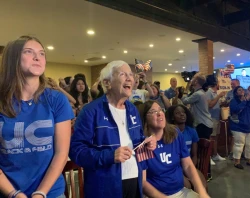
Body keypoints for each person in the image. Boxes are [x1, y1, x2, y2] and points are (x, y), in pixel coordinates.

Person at [69, 60, 157, 198]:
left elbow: (136, 139)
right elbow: (76, 151)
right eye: (122, 74)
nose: (129, 78)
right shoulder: (90, 111)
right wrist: (110, 156)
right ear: (107, 83)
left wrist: (145, 142)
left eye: (130, 74)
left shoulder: (132, 109)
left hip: (134, 179)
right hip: (105, 186)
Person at [0, 36, 74, 198]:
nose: (37, 57)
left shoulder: (56, 100)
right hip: (7, 191)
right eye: (28, 52)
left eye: (42, 54)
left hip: (50, 192)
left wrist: (41, 193)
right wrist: (14, 194)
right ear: (13, 59)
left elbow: (61, 153)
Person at [138, 101, 210, 198]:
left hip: (180, 191)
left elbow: (188, 165)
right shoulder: (142, 143)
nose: (159, 113)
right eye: (153, 112)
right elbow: (142, 182)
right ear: (145, 119)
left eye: (160, 110)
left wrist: (201, 191)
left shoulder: (175, 133)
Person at [165, 105, 207, 190]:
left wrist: (191, 170)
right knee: (187, 186)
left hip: (188, 165)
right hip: (174, 168)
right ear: (172, 117)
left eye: (183, 112)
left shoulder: (191, 131)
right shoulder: (169, 133)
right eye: (178, 113)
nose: (182, 114)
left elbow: (194, 155)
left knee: (202, 185)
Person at [229, 86, 250, 169]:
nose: (242, 91)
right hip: (238, 127)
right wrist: (244, 101)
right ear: (235, 93)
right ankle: (237, 162)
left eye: (242, 89)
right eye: (239, 90)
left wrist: (249, 100)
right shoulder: (234, 101)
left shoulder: (249, 101)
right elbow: (235, 110)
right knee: (239, 144)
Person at [182, 73, 213, 139]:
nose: (191, 80)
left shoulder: (198, 94)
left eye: (193, 78)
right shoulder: (201, 92)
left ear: (196, 82)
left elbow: (184, 101)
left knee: (199, 146)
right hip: (206, 123)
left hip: (202, 124)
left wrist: (185, 91)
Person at [206, 79, 226, 162]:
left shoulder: (215, 93)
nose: (219, 84)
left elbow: (215, 104)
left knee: (216, 137)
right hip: (211, 118)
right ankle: (209, 156)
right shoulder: (209, 92)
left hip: (217, 117)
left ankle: (215, 154)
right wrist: (218, 96)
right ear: (215, 84)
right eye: (218, 83)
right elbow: (210, 105)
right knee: (211, 137)